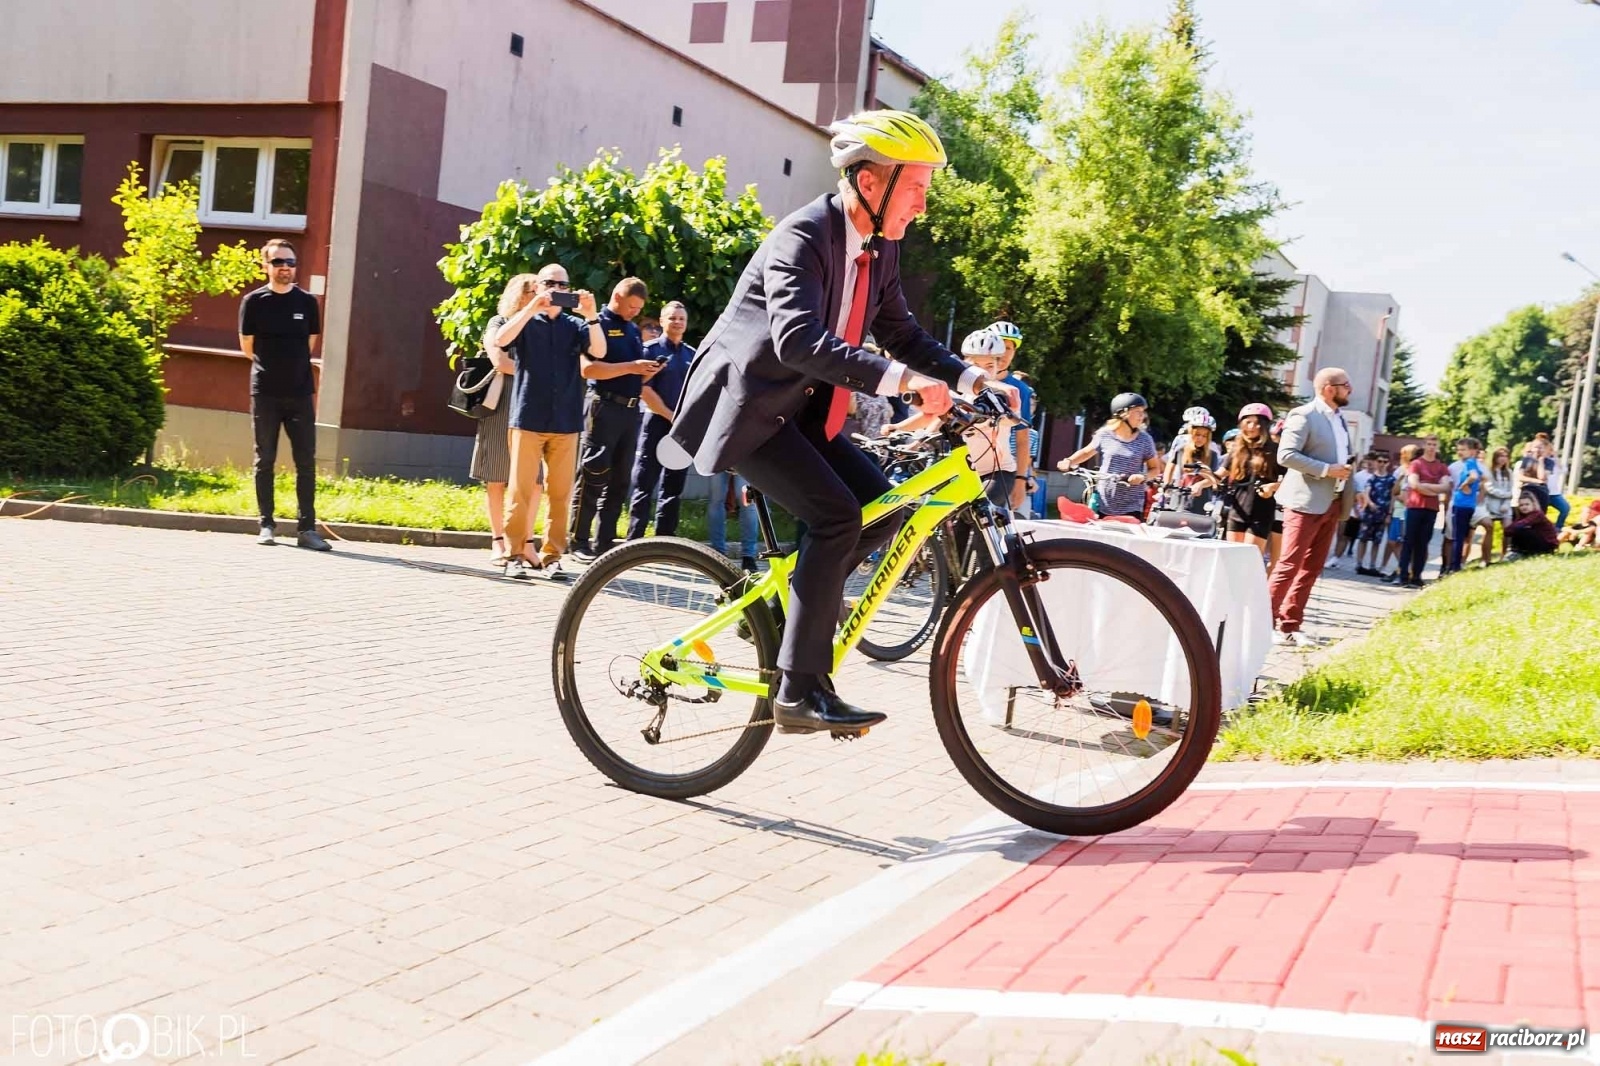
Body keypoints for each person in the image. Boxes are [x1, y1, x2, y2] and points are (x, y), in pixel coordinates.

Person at [658, 109, 1001, 735]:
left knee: (885, 510)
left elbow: (901, 331)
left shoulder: (880, 246)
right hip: (747, 409)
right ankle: (797, 693)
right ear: (873, 183)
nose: (923, 206)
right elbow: (797, 342)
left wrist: (972, 379)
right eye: (918, 187)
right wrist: (904, 383)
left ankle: (791, 619)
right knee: (837, 516)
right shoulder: (803, 237)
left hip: (802, 411)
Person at [490, 263, 605, 579]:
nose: (557, 288)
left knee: (560, 494)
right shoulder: (525, 322)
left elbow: (599, 350)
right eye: (550, 283)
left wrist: (592, 314)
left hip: (566, 422)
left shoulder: (575, 326)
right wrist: (530, 307)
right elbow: (501, 339)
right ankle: (514, 555)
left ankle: (552, 557)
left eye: (563, 284)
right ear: (538, 286)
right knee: (520, 491)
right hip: (528, 417)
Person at [239, 238, 330, 551]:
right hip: (265, 393)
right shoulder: (253, 302)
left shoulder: (307, 303)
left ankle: (307, 530)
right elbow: (247, 346)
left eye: (290, 263)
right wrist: (272, 368)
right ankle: (266, 524)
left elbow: (310, 342)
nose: (285, 268)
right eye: (278, 262)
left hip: (301, 393)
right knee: (264, 459)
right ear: (266, 266)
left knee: (305, 461)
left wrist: (292, 369)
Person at [570, 277, 661, 559]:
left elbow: (633, 371)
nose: (635, 312)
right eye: (632, 306)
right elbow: (590, 370)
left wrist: (646, 370)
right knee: (593, 473)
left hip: (630, 411)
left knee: (621, 479)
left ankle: (604, 544)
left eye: (639, 308)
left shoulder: (633, 330)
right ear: (618, 297)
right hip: (604, 407)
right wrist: (631, 367)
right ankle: (579, 541)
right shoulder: (597, 324)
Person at [1266, 368, 1358, 646]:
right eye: (1346, 385)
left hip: (1333, 501)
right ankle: (1265, 622)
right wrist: (1326, 470)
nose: (1350, 389)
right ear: (1329, 388)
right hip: (1305, 501)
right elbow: (1286, 455)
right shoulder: (1303, 415)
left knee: (1312, 567)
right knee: (1289, 564)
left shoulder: (1341, 420)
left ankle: (1290, 625)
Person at [473, 275, 534, 567]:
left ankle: (527, 542)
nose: (535, 297)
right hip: (501, 404)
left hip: (532, 406)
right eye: (529, 292)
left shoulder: (542, 328)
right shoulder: (498, 323)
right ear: (516, 296)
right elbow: (500, 361)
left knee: (534, 481)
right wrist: (537, 371)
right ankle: (497, 540)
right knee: (497, 477)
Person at [627, 301, 695, 540]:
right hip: (655, 422)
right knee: (644, 484)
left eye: (681, 319)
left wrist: (683, 420)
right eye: (672, 318)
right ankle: (634, 541)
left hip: (681, 428)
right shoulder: (650, 350)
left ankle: (664, 540)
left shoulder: (692, 355)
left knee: (673, 487)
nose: (677, 322)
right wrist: (670, 415)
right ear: (663, 321)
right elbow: (643, 388)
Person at [1058, 393, 1162, 519]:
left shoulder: (1145, 440)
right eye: (1137, 411)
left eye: (1143, 412)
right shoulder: (1105, 435)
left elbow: (1155, 469)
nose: (1142, 416)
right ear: (1122, 413)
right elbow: (1086, 452)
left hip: (1131, 505)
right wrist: (1069, 461)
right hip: (1103, 501)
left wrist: (1143, 476)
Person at [1222, 403, 1283, 567]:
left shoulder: (1274, 450)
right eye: (1247, 422)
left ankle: (1247, 592)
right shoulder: (1238, 449)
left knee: (1249, 562)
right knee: (1231, 560)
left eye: (1257, 423)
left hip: (1261, 511)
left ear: (1264, 426)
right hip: (1237, 509)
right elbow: (1220, 473)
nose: (1252, 426)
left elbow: (1291, 477)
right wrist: (1203, 479)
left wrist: (1273, 487)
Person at [988, 321, 1035, 511]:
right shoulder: (969, 379)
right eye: (1001, 346)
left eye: (1010, 348)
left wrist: (1020, 481)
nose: (1005, 353)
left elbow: (1023, 439)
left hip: (998, 471)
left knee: (981, 527)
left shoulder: (1020, 390)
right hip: (963, 465)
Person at [1396, 434, 1452, 589]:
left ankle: (1417, 576)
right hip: (1415, 506)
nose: (1431, 447)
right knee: (1409, 542)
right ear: (1424, 445)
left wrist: (1425, 487)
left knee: (1423, 543)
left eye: (1434, 444)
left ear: (1437, 446)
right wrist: (1433, 489)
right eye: (1429, 444)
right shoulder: (1416, 464)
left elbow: (1446, 487)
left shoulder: (1441, 467)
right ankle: (1403, 575)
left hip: (1431, 509)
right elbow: (1414, 484)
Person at [1161, 407, 1222, 516]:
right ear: (1191, 433)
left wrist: (1200, 485)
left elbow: (1215, 479)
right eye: (1197, 434)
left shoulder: (1212, 455)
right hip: (1178, 498)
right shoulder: (1180, 450)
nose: (1200, 438)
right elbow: (1169, 469)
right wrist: (1166, 485)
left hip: (1201, 501)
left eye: (1204, 436)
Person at [1443, 437, 1483, 574]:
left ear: (1472, 451)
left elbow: (1474, 476)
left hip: (1461, 504)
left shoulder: (1469, 463)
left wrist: (1464, 484)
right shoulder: (1475, 463)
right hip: (1469, 505)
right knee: (1461, 536)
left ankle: (1454, 567)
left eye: (1463, 450)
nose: (1460, 452)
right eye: (1458, 449)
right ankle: (1455, 565)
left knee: (1457, 537)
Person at [707, 471, 760, 571]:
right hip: (722, 457)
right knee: (716, 501)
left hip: (742, 458)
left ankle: (748, 557)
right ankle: (718, 553)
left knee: (747, 502)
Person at [1381, 445, 1418, 582]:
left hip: (1405, 512)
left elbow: (1404, 496)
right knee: (1393, 542)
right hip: (1396, 511)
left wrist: (1398, 496)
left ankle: (1404, 568)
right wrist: (1390, 512)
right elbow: (1394, 492)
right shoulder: (1400, 470)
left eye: (1405, 453)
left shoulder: (1414, 470)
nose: (1402, 456)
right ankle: (1402, 567)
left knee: (1400, 542)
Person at [1474, 445, 1515, 566]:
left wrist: (1506, 502)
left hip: (1504, 505)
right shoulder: (1489, 471)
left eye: (1505, 456)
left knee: (1508, 529)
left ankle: (1504, 555)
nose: (1503, 459)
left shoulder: (1509, 472)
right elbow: (1490, 488)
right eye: (1500, 456)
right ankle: (1485, 558)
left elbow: (1510, 489)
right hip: (1490, 504)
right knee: (1488, 530)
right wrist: (1506, 495)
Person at [1330, 454, 1372, 570]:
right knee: (1343, 535)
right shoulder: (1358, 476)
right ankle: (1335, 557)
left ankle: (1351, 557)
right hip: (1352, 511)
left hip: (1365, 512)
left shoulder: (1372, 477)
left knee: (1355, 537)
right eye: (1367, 461)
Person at [1355, 452, 1394, 576]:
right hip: (1369, 513)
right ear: (1376, 462)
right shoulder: (1371, 478)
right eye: (1380, 461)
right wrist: (1370, 503)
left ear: (1388, 464)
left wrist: (1389, 513)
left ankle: (1372, 565)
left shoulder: (1391, 479)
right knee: (1363, 538)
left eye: (1385, 462)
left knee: (1377, 541)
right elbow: (1366, 492)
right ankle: (1359, 564)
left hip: (1382, 514)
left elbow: (1393, 497)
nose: (1382, 464)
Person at [1504, 488, 1558, 559]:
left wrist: (1511, 529)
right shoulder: (1522, 516)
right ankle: (1518, 552)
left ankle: (1519, 552)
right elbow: (1508, 531)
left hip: (1547, 544)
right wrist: (1510, 530)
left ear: (1533, 504)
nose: (1524, 507)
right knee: (1518, 529)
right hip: (1536, 541)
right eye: (1521, 505)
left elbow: (1520, 525)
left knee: (1521, 529)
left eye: (1527, 504)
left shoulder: (1537, 514)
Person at [1515, 439, 1551, 512]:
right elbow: (1520, 477)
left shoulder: (1549, 462)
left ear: (1545, 448)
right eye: (1535, 447)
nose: (1538, 450)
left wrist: (1540, 462)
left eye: (1540, 447)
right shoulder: (1526, 460)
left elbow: (1542, 477)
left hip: (1542, 491)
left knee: (1540, 513)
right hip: (1527, 489)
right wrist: (1537, 481)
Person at [1545, 443, 1571, 530]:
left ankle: (1558, 527)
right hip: (1543, 492)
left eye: (1551, 450)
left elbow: (1564, 470)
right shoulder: (1541, 462)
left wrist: (1556, 458)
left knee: (1565, 508)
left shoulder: (1554, 462)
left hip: (1554, 493)